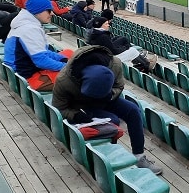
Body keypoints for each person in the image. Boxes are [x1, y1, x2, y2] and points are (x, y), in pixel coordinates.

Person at [52, 45, 163, 174]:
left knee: (133, 110)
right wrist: (75, 115)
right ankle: (111, 157)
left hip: (107, 97)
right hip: (81, 106)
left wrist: (111, 94)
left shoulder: (115, 64)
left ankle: (139, 156)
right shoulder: (65, 80)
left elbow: (119, 86)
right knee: (113, 122)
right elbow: (58, 108)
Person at [3, 0, 74, 90]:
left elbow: (44, 52)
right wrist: (68, 67)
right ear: (38, 11)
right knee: (80, 77)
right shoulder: (29, 29)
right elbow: (41, 61)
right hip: (29, 77)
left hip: (24, 70)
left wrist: (63, 59)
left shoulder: (27, 23)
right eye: (49, 10)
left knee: (69, 54)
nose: (52, 13)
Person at [87, 16, 156, 72]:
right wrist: (125, 48)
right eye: (106, 24)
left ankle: (144, 63)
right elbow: (113, 51)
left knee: (126, 45)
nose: (108, 25)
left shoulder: (94, 33)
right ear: (101, 25)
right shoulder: (103, 36)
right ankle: (147, 65)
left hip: (102, 57)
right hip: (108, 60)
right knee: (132, 50)